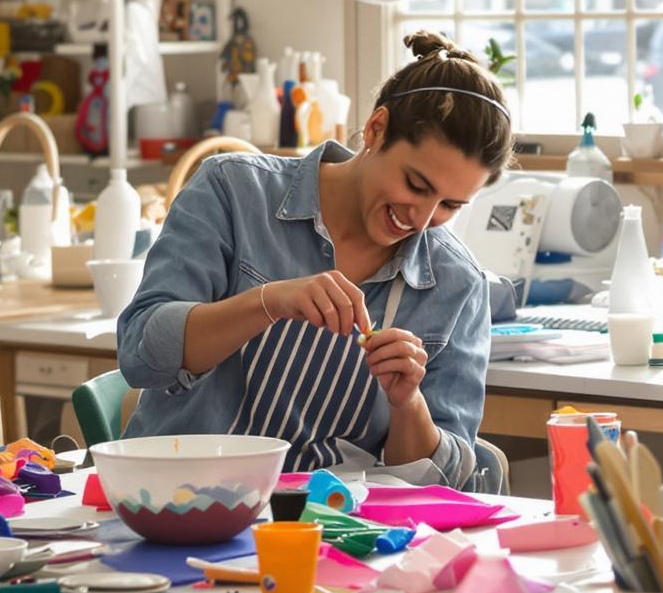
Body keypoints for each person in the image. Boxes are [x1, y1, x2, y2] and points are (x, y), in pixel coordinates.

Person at [117, 31, 512, 490]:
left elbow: (443, 485)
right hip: (181, 501)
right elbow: (140, 352)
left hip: (333, 525)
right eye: (417, 185)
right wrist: (268, 302)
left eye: (449, 205)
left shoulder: (456, 282)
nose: (422, 219)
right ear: (376, 129)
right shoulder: (234, 191)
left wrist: (407, 405)